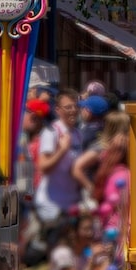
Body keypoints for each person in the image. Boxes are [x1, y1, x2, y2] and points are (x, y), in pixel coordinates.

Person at [32, 91, 83, 223]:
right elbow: (43, 167)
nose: (73, 111)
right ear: (58, 110)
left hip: (71, 201)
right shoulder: (52, 132)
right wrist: (62, 150)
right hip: (51, 203)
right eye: (68, 107)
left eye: (75, 106)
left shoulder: (77, 134)